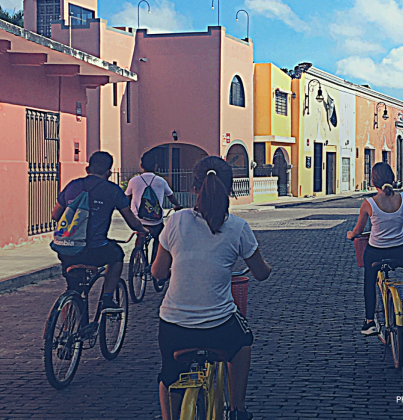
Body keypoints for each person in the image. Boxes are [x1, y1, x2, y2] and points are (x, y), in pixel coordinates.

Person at [152, 156, 271, 420]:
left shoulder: (176, 221)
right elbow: (261, 273)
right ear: (229, 189)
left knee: (168, 375)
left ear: (195, 188)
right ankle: (238, 409)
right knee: (243, 342)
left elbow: (158, 272)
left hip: (174, 325)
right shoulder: (238, 227)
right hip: (219, 327)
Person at [51, 151, 148, 310]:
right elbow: (131, 221)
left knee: (73, 290)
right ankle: (107, 298)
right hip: (95, 249)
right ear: (109, 172)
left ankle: (67, 329)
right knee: (117, 256)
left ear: (87, 169)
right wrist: (142, 229)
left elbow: (55, 215)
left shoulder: (72, 185)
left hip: (66, 248)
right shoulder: (112, 190)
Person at [347, 162, 403, 335]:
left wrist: (351, 235)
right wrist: (395, 221)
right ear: (393, 178)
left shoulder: (368, 203)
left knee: (369, 282)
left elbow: (359, 230)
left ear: (373, 181)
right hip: (399, 251)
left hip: (375, 252)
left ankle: (370, 321)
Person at [125, 152, 183, 265]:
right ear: (155, 166)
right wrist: (177, 206)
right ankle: (155, 262)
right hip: (155, 220)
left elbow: (126, 197)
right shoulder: (161, 181)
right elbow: (171, 196)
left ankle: (137, 257)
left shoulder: (134, 180)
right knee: (159, 237)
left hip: (138, 219)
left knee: (140, 234)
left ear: (141, 165)